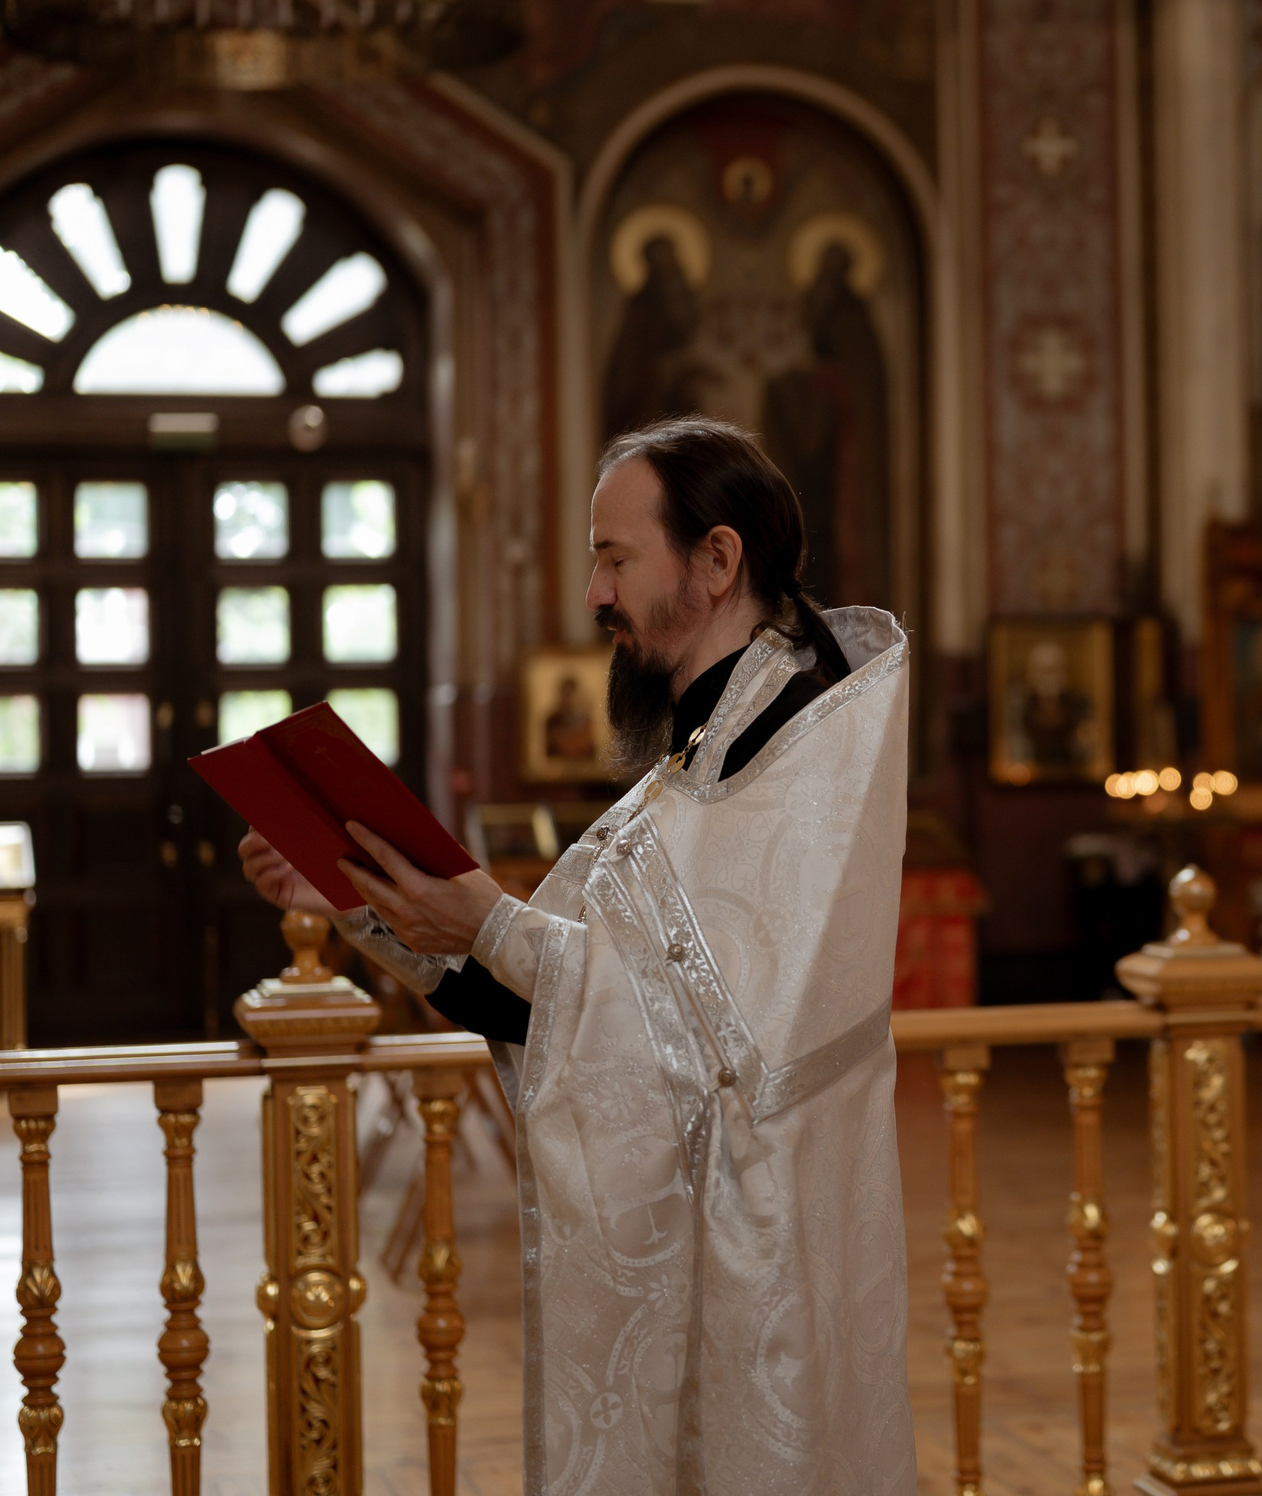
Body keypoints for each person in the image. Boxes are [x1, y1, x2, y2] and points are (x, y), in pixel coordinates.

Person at [240, 416, 917, 1494]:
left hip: (764, 1253)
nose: (595, 595)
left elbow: (722, 1034)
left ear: (717, 559)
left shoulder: (802, 742)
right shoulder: (694, 757)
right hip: (692, 1246)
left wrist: (487, 920)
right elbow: (549, 1010)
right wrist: (361, 896)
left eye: (614, 558)